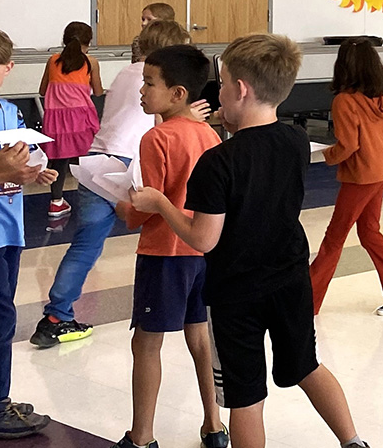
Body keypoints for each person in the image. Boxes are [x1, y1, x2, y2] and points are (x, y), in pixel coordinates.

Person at [130, 34, 370, 448]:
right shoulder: (296, 141)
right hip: (289, 276)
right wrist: (236, 126)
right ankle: (353, 441)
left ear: (240, 89)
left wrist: (162, 204)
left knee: (246, 397)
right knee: (306, 365)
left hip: (237, 290)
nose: (218, 93)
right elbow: (261, 163)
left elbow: (204, 239)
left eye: (222, 84)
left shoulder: (218, 162)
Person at [31, 20, 196, 349]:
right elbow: (165, 122)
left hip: (97, 160)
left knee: (85, 245)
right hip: (127, 163)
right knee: (165, 232)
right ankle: (176, 306)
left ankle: (55, 317)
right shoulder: (157, 80)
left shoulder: (125, 72)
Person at [109, 45, 226, 448]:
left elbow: (146, 207)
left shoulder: (156, 138)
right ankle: (214, 425)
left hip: (164, 254)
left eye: (149, 83)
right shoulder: (209, 134)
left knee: (146, 342)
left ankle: (141, 437)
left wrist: (123, 208)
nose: (141, 91)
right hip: (203, 251)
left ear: (178, 93)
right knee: (200, 337)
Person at [309, 38, 383, 316]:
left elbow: (348, 145)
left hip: (360, 177)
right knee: (369, 233)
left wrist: (324, 155)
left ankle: (307, 301)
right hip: (382, 170)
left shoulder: (344, 101)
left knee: (334, 238)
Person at [0, 28, 60, 439]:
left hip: (9, 230)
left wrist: (34, 174)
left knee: (4, 313)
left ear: (8, 68)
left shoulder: (9, 113)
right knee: (1, 318)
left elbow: (26, 160)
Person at [39, 21, 104, 217]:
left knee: (59, 161)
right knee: (88, 159)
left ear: (64, 40)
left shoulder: (53, 60)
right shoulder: (90, 62)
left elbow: (42, 91)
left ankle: (56, 202)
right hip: (81, 117)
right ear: (89, 42)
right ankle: (93, 201)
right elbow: (98, 92)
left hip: (56, 119)